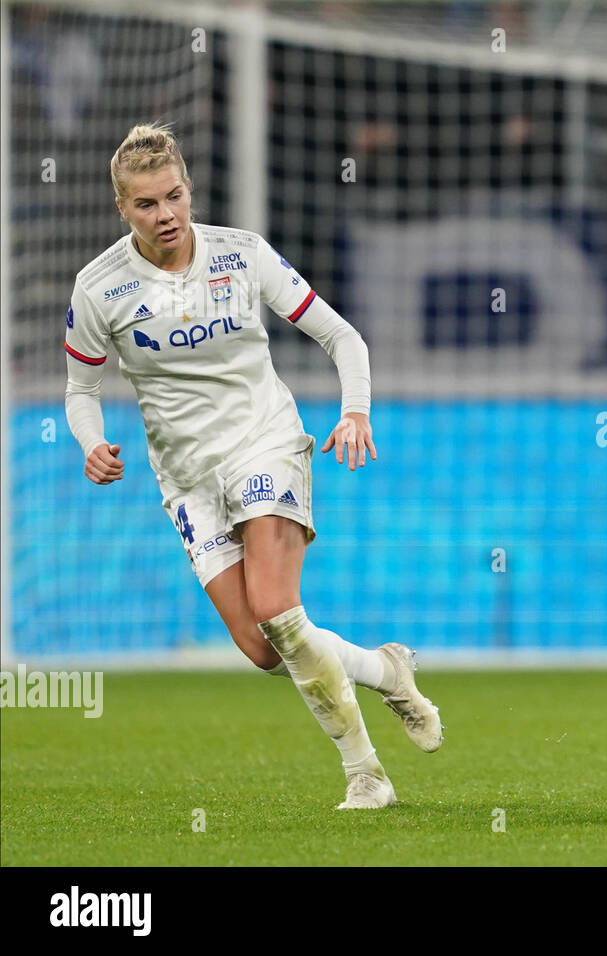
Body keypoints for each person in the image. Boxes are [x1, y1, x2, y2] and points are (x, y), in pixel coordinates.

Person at [63, 123, 442, 810]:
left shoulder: (241, 255)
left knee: (276, 608)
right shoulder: (100, 289)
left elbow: (340, 334)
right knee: (266, 648)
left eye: (174, 195)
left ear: (188, 186)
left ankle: (367, 774)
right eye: (147, 205)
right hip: (185, 478)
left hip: (264, 442)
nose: (166, 214)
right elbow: (80, 389)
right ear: (123, 209)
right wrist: (90, 441)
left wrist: (354, 410)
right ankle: (386, 668)